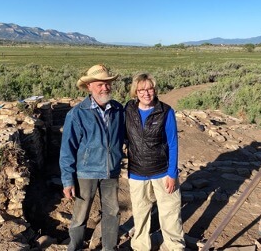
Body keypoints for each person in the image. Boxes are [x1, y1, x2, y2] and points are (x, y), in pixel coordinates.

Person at [59, 64, 125, 251]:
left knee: (112, 213)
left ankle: (109, 248)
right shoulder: (77, 113)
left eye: (107, 84)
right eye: (99, 84)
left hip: (110, 170)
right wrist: (67, 180)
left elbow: (124, 136)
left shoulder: (118, 110)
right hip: (86, 172)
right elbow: (67, 149)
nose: (105, 88)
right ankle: (75, 247)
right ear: (89, 87)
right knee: (80, 214)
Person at [125, 73, 185, 251]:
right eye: (141, 89)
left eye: (150, 88)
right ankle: (141, 246)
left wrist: (172, 174)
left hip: (162, 172)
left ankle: (175, 246)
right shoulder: (128, 109)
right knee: (140, 213)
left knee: (170, 212)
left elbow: (173, 144)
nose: (146, 93)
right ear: (135, 91)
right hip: (137, 173)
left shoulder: (165, 111)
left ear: (155, 90)